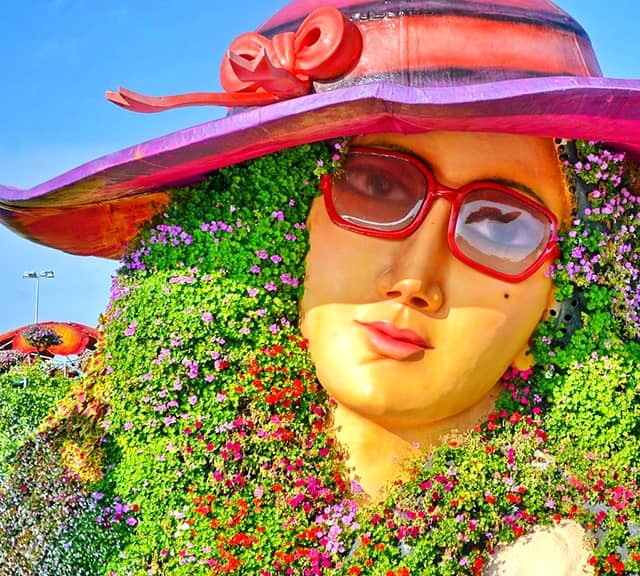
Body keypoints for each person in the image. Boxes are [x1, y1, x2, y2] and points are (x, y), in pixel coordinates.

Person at [0, 1, 638, 575]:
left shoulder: (597, 543)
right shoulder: (97, 501)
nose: (415, 280)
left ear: (554, 303)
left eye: (503, 226)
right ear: (270, 237)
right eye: (377, 186)